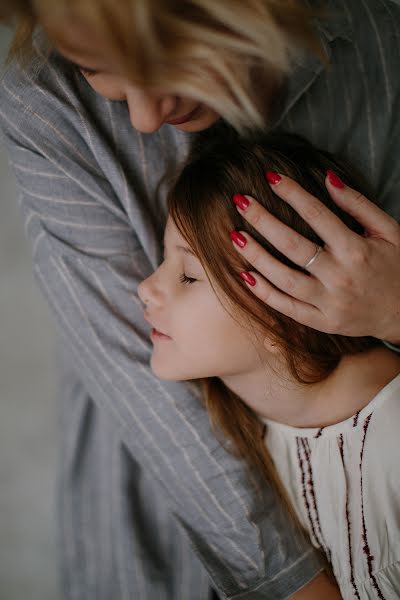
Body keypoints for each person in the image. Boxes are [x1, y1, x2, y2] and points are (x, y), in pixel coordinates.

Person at [0, 0, 399, 598]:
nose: (142, 116)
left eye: (168, 58)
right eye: (94, 68)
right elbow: (130, 371)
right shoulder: (40, 105)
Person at [138, 130, 400, 599]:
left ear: (287, 312)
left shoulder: (392, 437)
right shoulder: (241, 445)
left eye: (189, 274)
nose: (145, 288)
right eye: (163, 261)